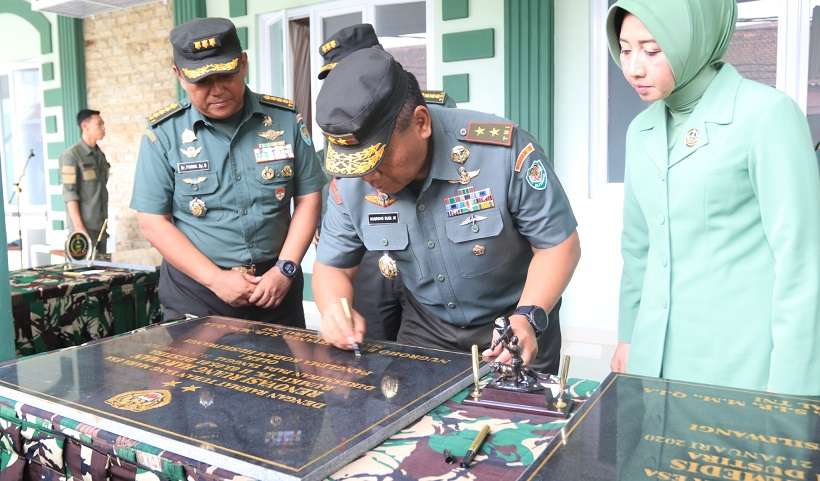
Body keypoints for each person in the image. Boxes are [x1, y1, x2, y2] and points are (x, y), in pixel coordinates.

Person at [311, 47, 580, 373]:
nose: (368, 178)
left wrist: (527, 318)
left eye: (377, 161)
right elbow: (332, 267)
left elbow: (558, 246)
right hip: (427, 327)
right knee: (417, 422)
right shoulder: (353, 181)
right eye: (356, 167)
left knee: (521, 422)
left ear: (421, 122)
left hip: (514, 320)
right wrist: (333, 310)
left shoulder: (500, 151)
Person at [607, 0, 820, 395]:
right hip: (653, 362)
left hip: (742, 367)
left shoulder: (767, 115)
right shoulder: (641, 130)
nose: (634, 67)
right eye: (625, 49)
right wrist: (628, 336)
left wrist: (793, 390)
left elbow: (803, 263)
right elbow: (638, 248)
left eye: (652, 50)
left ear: (694, 39)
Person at [130, 17, 324, 326]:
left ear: (243, 63)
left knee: (281, 373)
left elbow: (309, 197)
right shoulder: (163, 134)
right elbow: (153, 221)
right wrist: (215, 279)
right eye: (202, 81)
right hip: (197, 292)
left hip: (276, 287)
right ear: (179, 76)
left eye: (226, 75)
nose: (217, 89)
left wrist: (285, 269)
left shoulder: (284, 120)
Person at [316, 23, 458, 342]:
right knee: (372, 339)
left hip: (417, 241)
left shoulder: (420, 110)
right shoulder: (336, 125)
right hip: (368, 243)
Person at [61, 109, 109, 252]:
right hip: (82, 230)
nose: (103, 128)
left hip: (101, 229)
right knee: (82, 273)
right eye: (99, 124)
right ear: (85, 126)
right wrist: (79, 228)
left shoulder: (99, 155)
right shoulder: (71, 156)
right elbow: (70, 194)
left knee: (103, 273)